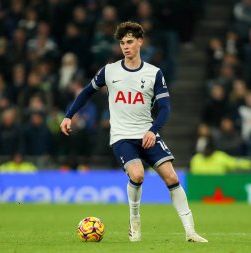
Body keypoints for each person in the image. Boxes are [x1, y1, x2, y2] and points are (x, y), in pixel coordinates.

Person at [60, 21, 207, 243]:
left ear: (140, 42)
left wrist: (153, 131)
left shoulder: (153, 73)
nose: (125, 46)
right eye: (122, 43)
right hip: (122, 137)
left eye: (129, 42)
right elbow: (85, 93)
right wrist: (68, 115)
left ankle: (190, 231)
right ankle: (135, 223)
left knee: (171, 176)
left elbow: (165, 109)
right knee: (137, 174)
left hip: (148, 133)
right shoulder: (109, 71)